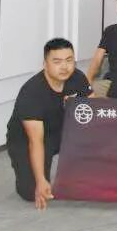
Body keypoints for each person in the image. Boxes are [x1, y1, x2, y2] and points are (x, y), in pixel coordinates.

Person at [7, 38, 92, 208]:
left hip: (61, 131)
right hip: (27, 139)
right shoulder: (32, 92)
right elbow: (35, 141)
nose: (64, 67)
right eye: (57, 62)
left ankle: (81, 172)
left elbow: (95, 111)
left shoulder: (77, 78)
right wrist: (40, 180)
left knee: (96, 131)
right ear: (45, 64)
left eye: (69, 60)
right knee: (31, 191)